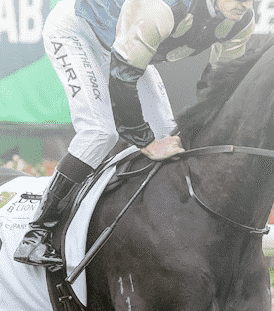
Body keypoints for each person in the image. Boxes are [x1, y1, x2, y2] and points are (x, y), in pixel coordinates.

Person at [13, 0, 256, 268]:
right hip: (78, 30)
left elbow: (218, 87)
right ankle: (36, 232)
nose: (246, 4)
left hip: (123, 41)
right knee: (100, 133)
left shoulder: (241, 22)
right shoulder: (163, 7)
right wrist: (147, 143)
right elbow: (122, 79)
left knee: (172, 139)